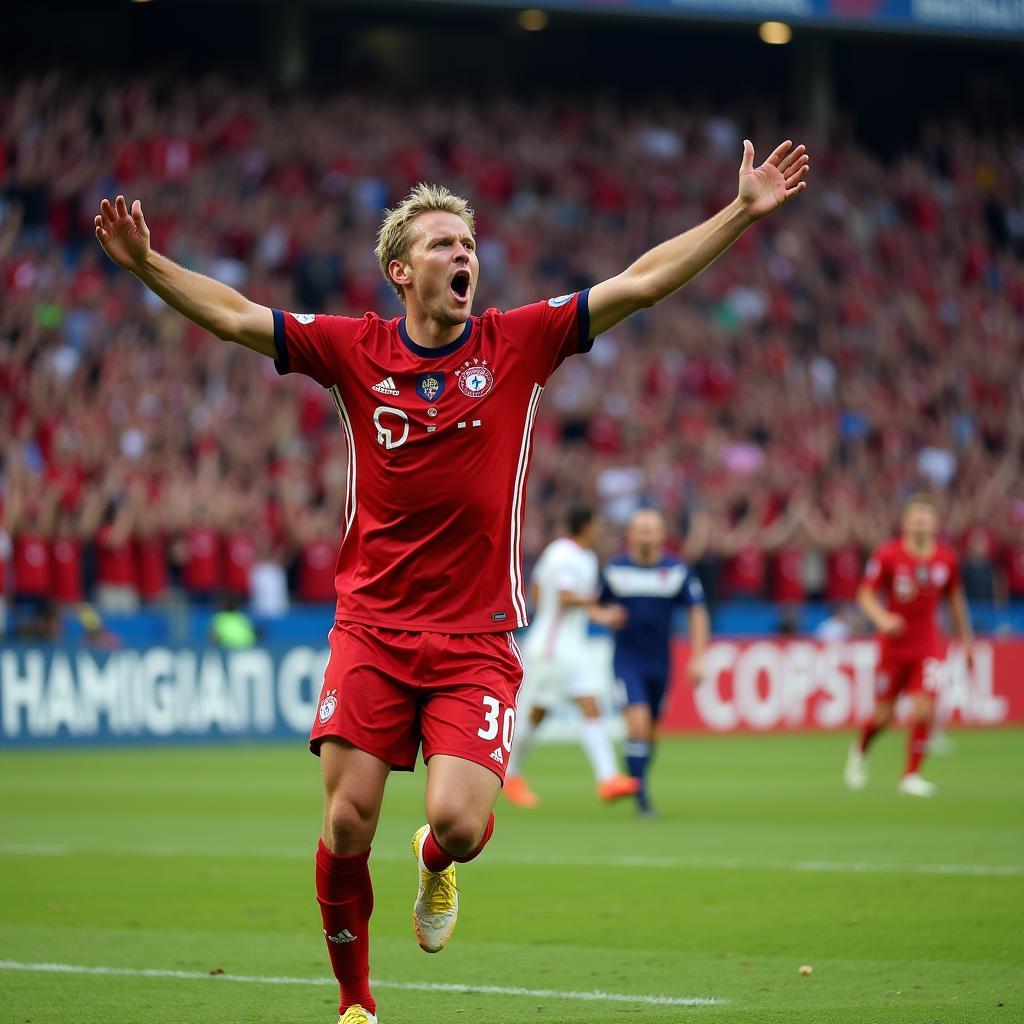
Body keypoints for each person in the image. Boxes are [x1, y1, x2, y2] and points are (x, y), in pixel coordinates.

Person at [94, 134, 809, 1024]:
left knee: (463, 826)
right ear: (401, 269)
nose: (463, 255)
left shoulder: (522, 342)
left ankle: (434, 861)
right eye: (443, 244)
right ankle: (356, 1004)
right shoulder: (355, 350)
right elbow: (240, 316)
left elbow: (642, 281)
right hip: (372, 628)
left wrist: (740, 212)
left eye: (468, 244)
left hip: (475, 638)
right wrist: (146, 263)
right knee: (348, 822)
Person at [503, 506, 639, 808]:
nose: (602, 528)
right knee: (536, 715)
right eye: (599, 522)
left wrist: (599, 615)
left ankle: (608, 779)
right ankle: (509, 773)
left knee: (591, 705)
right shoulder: (563, 553)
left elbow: (539, 589)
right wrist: (597, 601)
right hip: (551, 649)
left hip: (573, 647)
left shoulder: (585, 557)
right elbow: (564, 595)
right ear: (586, 524)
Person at [844, 494, 974, 798]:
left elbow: (955, 601)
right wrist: (882, 618)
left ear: (934, 523)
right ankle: (860, 749)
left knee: (924, 706)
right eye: (915, 517)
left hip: (927, 643)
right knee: (883, 716)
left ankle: (911, 774)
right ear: (905, 522)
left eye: (926, 518)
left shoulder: (946, 559)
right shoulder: (887, 555)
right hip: (893, 646)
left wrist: (965, 639)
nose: (920, 523)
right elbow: (864, 594)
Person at [597, 508, 710, 816]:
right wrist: (602, 614)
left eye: (652, 528)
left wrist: (699, 657)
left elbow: (697, 612)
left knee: (651, 732)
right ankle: (641, 796)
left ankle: (637, 776)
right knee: (638, 722)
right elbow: (592, 603)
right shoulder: (615, 570)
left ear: (662, 535)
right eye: (640, 528)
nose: (646, 533)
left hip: (661, 663)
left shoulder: (677, 571)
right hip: (626, 661)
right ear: (630, 535)